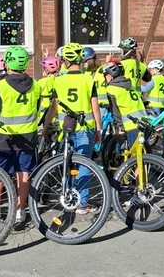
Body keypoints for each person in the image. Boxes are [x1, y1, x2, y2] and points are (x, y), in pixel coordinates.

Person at [0, 46, 41, 223]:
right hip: (28, 136)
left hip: (5, 138)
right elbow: (37, 108)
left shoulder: (1, 86)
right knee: (23, 173)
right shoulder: (36, 85)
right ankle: (20, 210)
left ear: (7, 63)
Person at [51, 42, 102, 214]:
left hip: (65, 128)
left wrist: (44, 127)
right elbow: (95, 107)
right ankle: (82, 202)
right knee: (84, 165)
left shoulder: (58, 80)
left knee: (66, 163)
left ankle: (67, 197)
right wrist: (98, 129)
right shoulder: (89, 79)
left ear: (65, 60)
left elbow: (54, 107)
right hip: (85, 128)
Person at [102, 60, 146, 155]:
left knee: (135, 159)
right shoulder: (130, 86)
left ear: (110, 76)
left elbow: (116, 112)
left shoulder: (111, 89)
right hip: (144, 122)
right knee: (142, 154)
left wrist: (120, 128)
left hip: (131, 125)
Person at [38, 56, 61, 121]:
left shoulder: (42, 82)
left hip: (45, 114)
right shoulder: (59, 79)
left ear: (47, 70)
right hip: (58, 113)